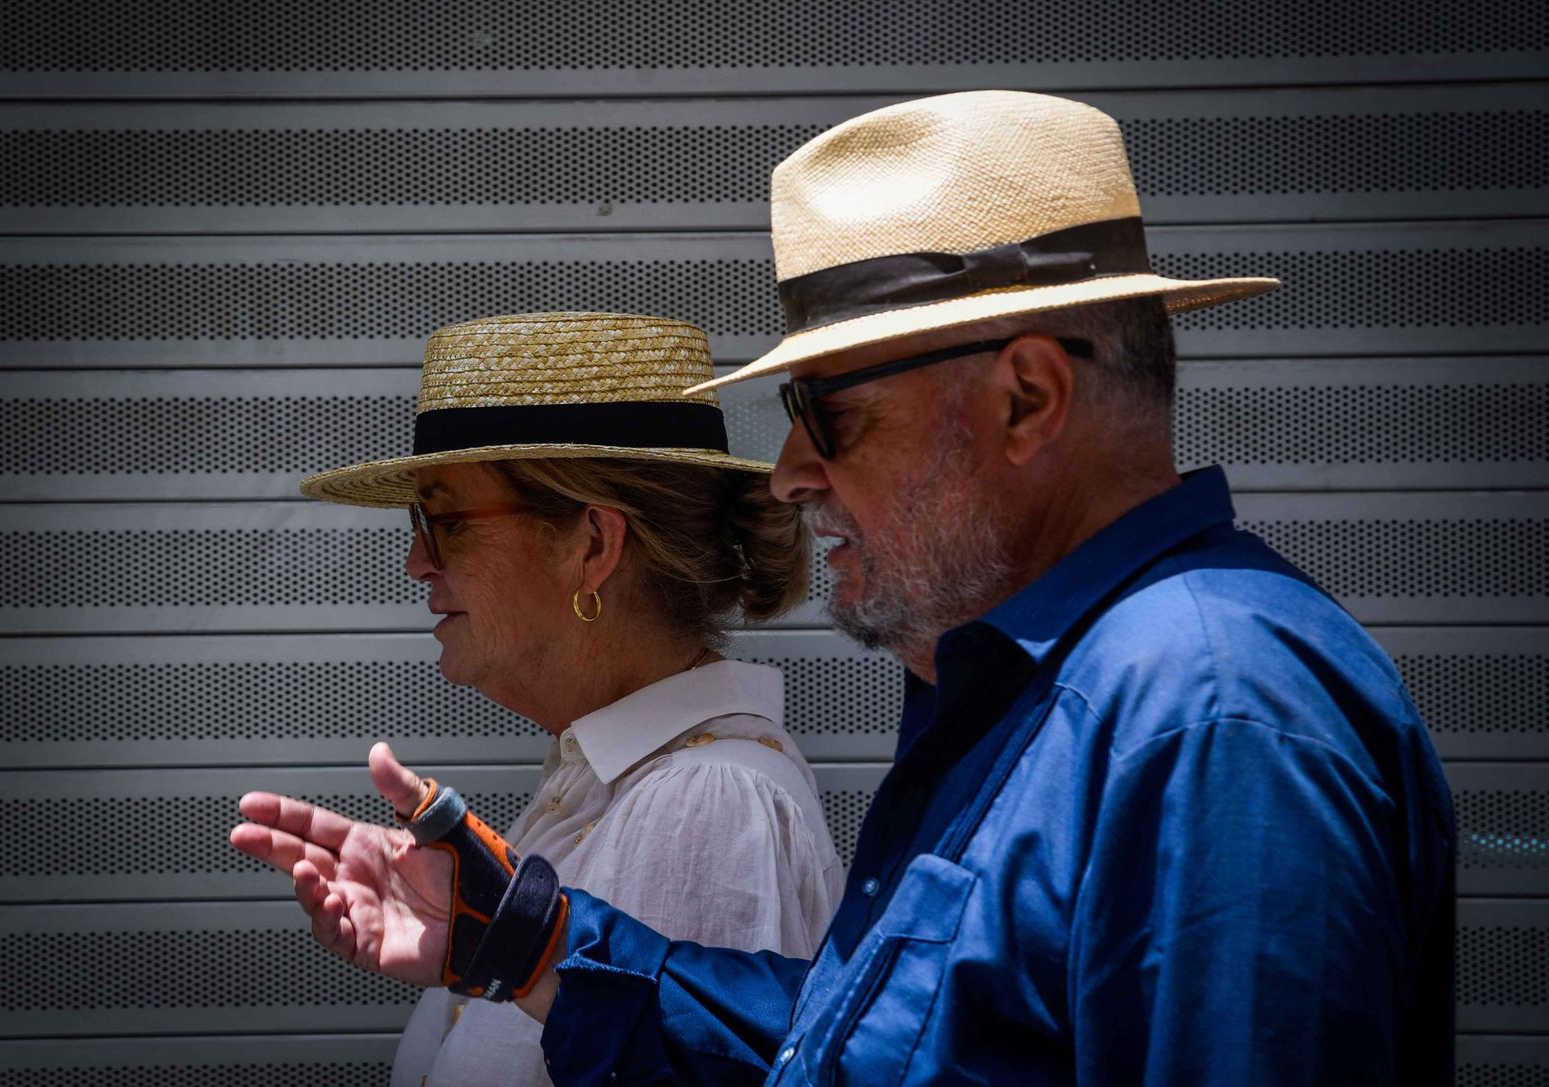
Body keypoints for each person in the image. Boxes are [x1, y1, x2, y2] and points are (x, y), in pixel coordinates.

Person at [235, 92, 1455, 1085]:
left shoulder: (1207, 714)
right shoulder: (1059, 690)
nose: (790, 473)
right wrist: (536, 942)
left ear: (1027, 397)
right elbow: (867, 1052)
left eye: (828, 416)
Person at [230, 311, 843, 1087]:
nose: (418, 560)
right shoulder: (607, 778)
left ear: (592, 544)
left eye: (445, 521)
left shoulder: (703, 803)